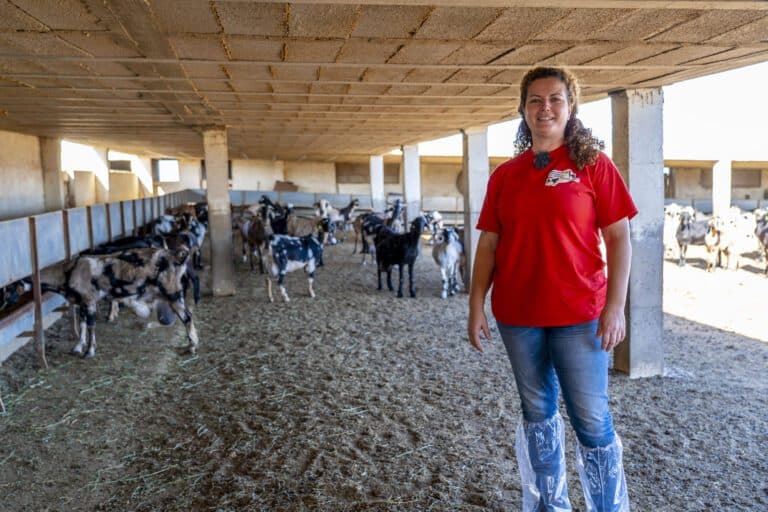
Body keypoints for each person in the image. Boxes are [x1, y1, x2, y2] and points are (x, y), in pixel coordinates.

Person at [467, 66, 636, 512]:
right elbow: (489, 243)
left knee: (591, 421)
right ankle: (546, 506)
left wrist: (615, 308)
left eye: (555, 99)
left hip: (580, 316)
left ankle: (608, 508)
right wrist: (475, 305)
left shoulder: (593, 166)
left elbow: (619, 238)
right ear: (523, 110)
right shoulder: (506, 176)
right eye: (535, 100)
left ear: (571, 106)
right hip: (518, 316)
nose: (545, 108)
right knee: (538, 414)